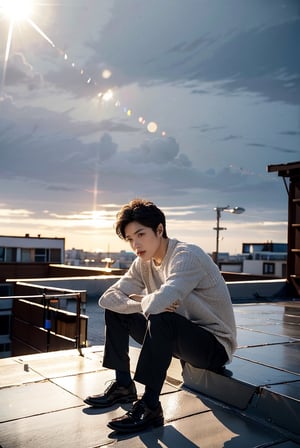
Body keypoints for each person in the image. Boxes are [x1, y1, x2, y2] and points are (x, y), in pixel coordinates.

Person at [84, 198, 237, 433]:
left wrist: (145, 302)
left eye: (141, 234)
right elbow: (108, 298)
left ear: (159, 230)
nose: (136, 244)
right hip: (178, 336)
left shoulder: (186, 256)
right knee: (118, 311)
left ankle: (150, 406)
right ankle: (123, 386)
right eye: (130, 239)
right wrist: (140, 304)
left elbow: (161, 305)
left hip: (213, 346)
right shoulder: (143, 262)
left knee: (160, 317)